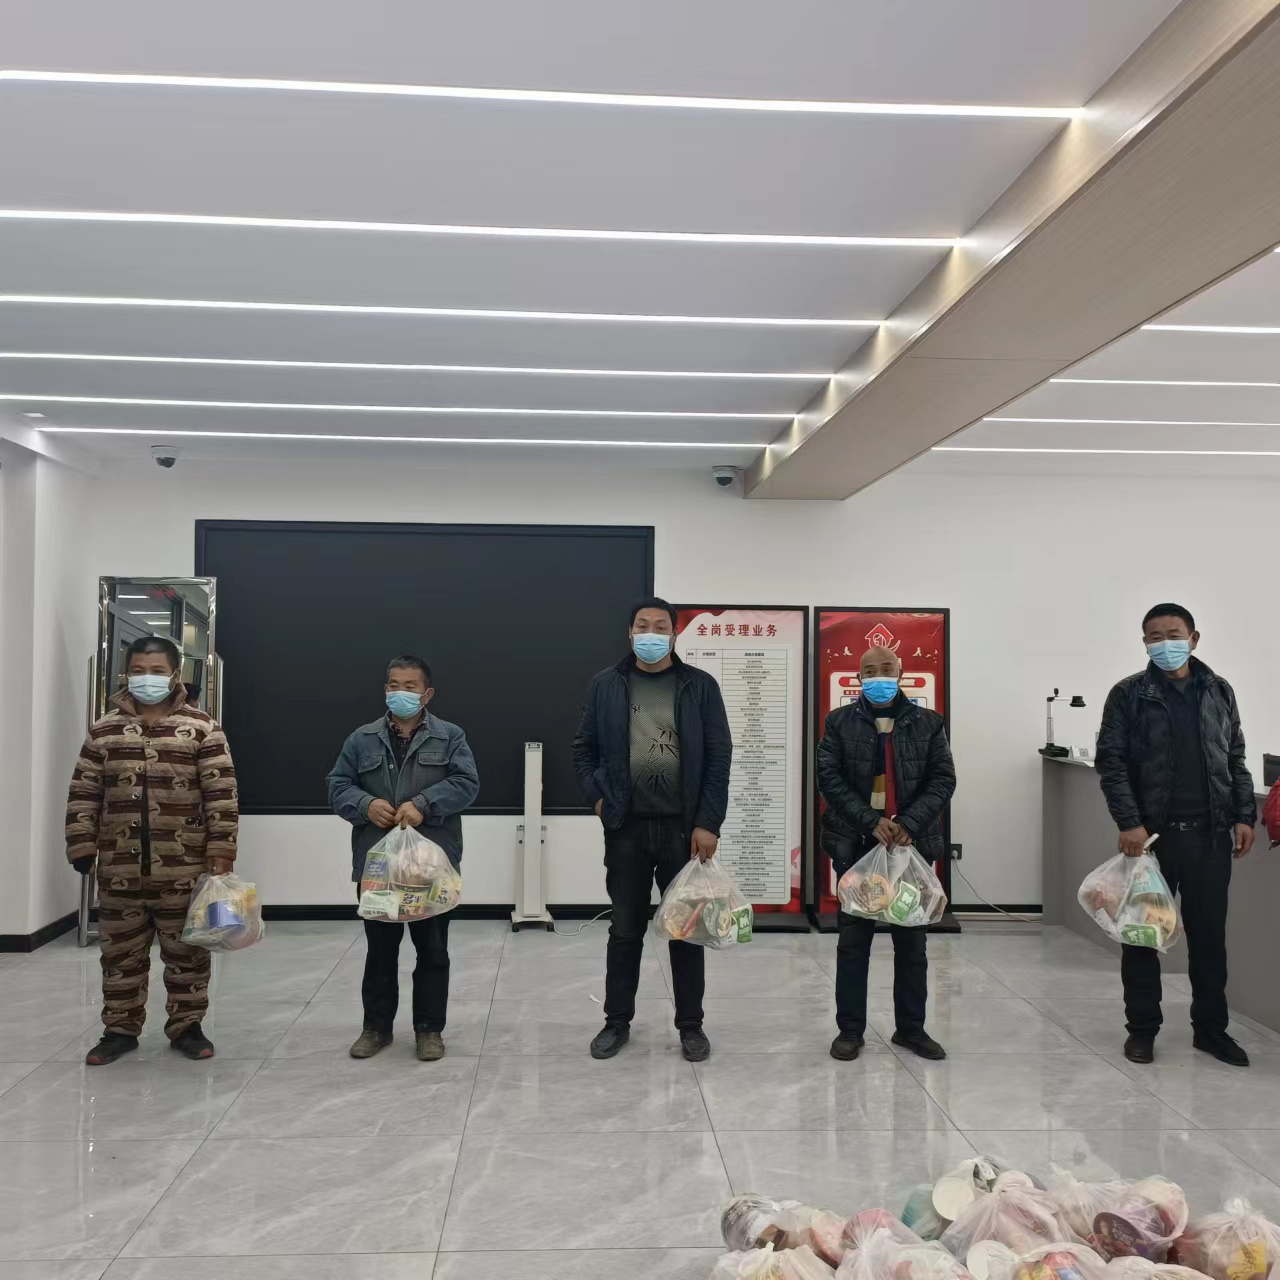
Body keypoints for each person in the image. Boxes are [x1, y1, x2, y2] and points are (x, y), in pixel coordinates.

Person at [65, 635, 239, 1066]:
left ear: (175, 674)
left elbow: (222, 795)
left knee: (188, 954)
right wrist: (81, 843)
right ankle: (119, 1030)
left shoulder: (202, 728)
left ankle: (187, 1027)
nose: (147, 678)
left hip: (184, 869)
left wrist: (222, 849)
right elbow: (84, 791)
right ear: (126, 673)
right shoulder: (104, 730)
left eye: (157, 671)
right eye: (138, 670)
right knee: (119, 956)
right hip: (119, 868)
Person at [1096, 603, 1257, 1067]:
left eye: (1173, 634)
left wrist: (1243, 815)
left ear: (1194, 638)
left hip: (1210, 837)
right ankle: (1142, 1030)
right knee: (1142, 937)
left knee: (1209, 941)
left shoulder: (1219, 691)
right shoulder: (1129, 694)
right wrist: (1128, 822)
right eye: (1154, 636)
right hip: (1152, 842)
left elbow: (1235, 757)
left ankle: (1211, 1030)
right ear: (1144, 642)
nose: (1165, 643)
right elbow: (1111, 762)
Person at [572, 597, 732, 1062]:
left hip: (684, 831)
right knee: (625, 929)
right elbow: (583, 749)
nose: (650, 633)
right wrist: (598, 799)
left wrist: (708, 822)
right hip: (627, 827)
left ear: (674, 634)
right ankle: (616, 1022)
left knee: (686, 931)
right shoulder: (607, 684)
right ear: (629, 633)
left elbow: (718, 756)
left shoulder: (699, 686)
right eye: (642, 625)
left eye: (660, 626)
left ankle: (691, 1026)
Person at [327, 654, 479, 1062]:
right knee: (380, 952)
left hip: (431, 867)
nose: (400, 693)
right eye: (394, 685)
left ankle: (429, 1030)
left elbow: (467, 784)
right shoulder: (361, 739)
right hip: (377, 866)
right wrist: (365, 804)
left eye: (410, 687)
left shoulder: (450, 737)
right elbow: (338, 785)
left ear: (427, 694)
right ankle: (375, 1028)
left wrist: (424, 804)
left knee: (433, 952)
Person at [817, 646, 955, 1063]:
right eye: (869, 670)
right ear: (859, 677)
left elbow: (943, 779)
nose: (879, 676)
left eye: (886, 669)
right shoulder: (839, 721)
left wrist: (909, 823)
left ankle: (911, 1029)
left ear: (901, 672)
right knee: (853, 942)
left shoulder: (929, 723)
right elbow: (829, 778)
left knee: (912, 943)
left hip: (910, 846)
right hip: (857, 844)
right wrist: (869, 821)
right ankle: (850, 1031)